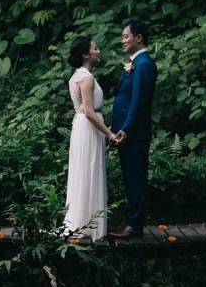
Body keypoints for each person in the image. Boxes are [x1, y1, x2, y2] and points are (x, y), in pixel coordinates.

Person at [63, 37, 117, 242]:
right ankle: (89, 225)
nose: (98, 51)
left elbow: (87, 112)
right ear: (86, 54)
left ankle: (84, 220)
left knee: (84, 171)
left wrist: (104, 128)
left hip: (83, 128)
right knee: (89, 170)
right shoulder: (86, 78)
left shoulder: (77, 76)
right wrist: (109, 133)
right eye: (95, 48)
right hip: (87, 127)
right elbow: (88, 111)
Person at [109, 20, 157, 239]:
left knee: (136, 179)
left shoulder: (145, 64)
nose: (123, 40)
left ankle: (134, 226)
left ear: (139, 38)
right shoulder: (133, 62)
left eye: (126, 36)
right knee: (130, 179)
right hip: (126, 133)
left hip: (134, 134)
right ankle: (130, 221)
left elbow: (138, 101)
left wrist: (126, 129)